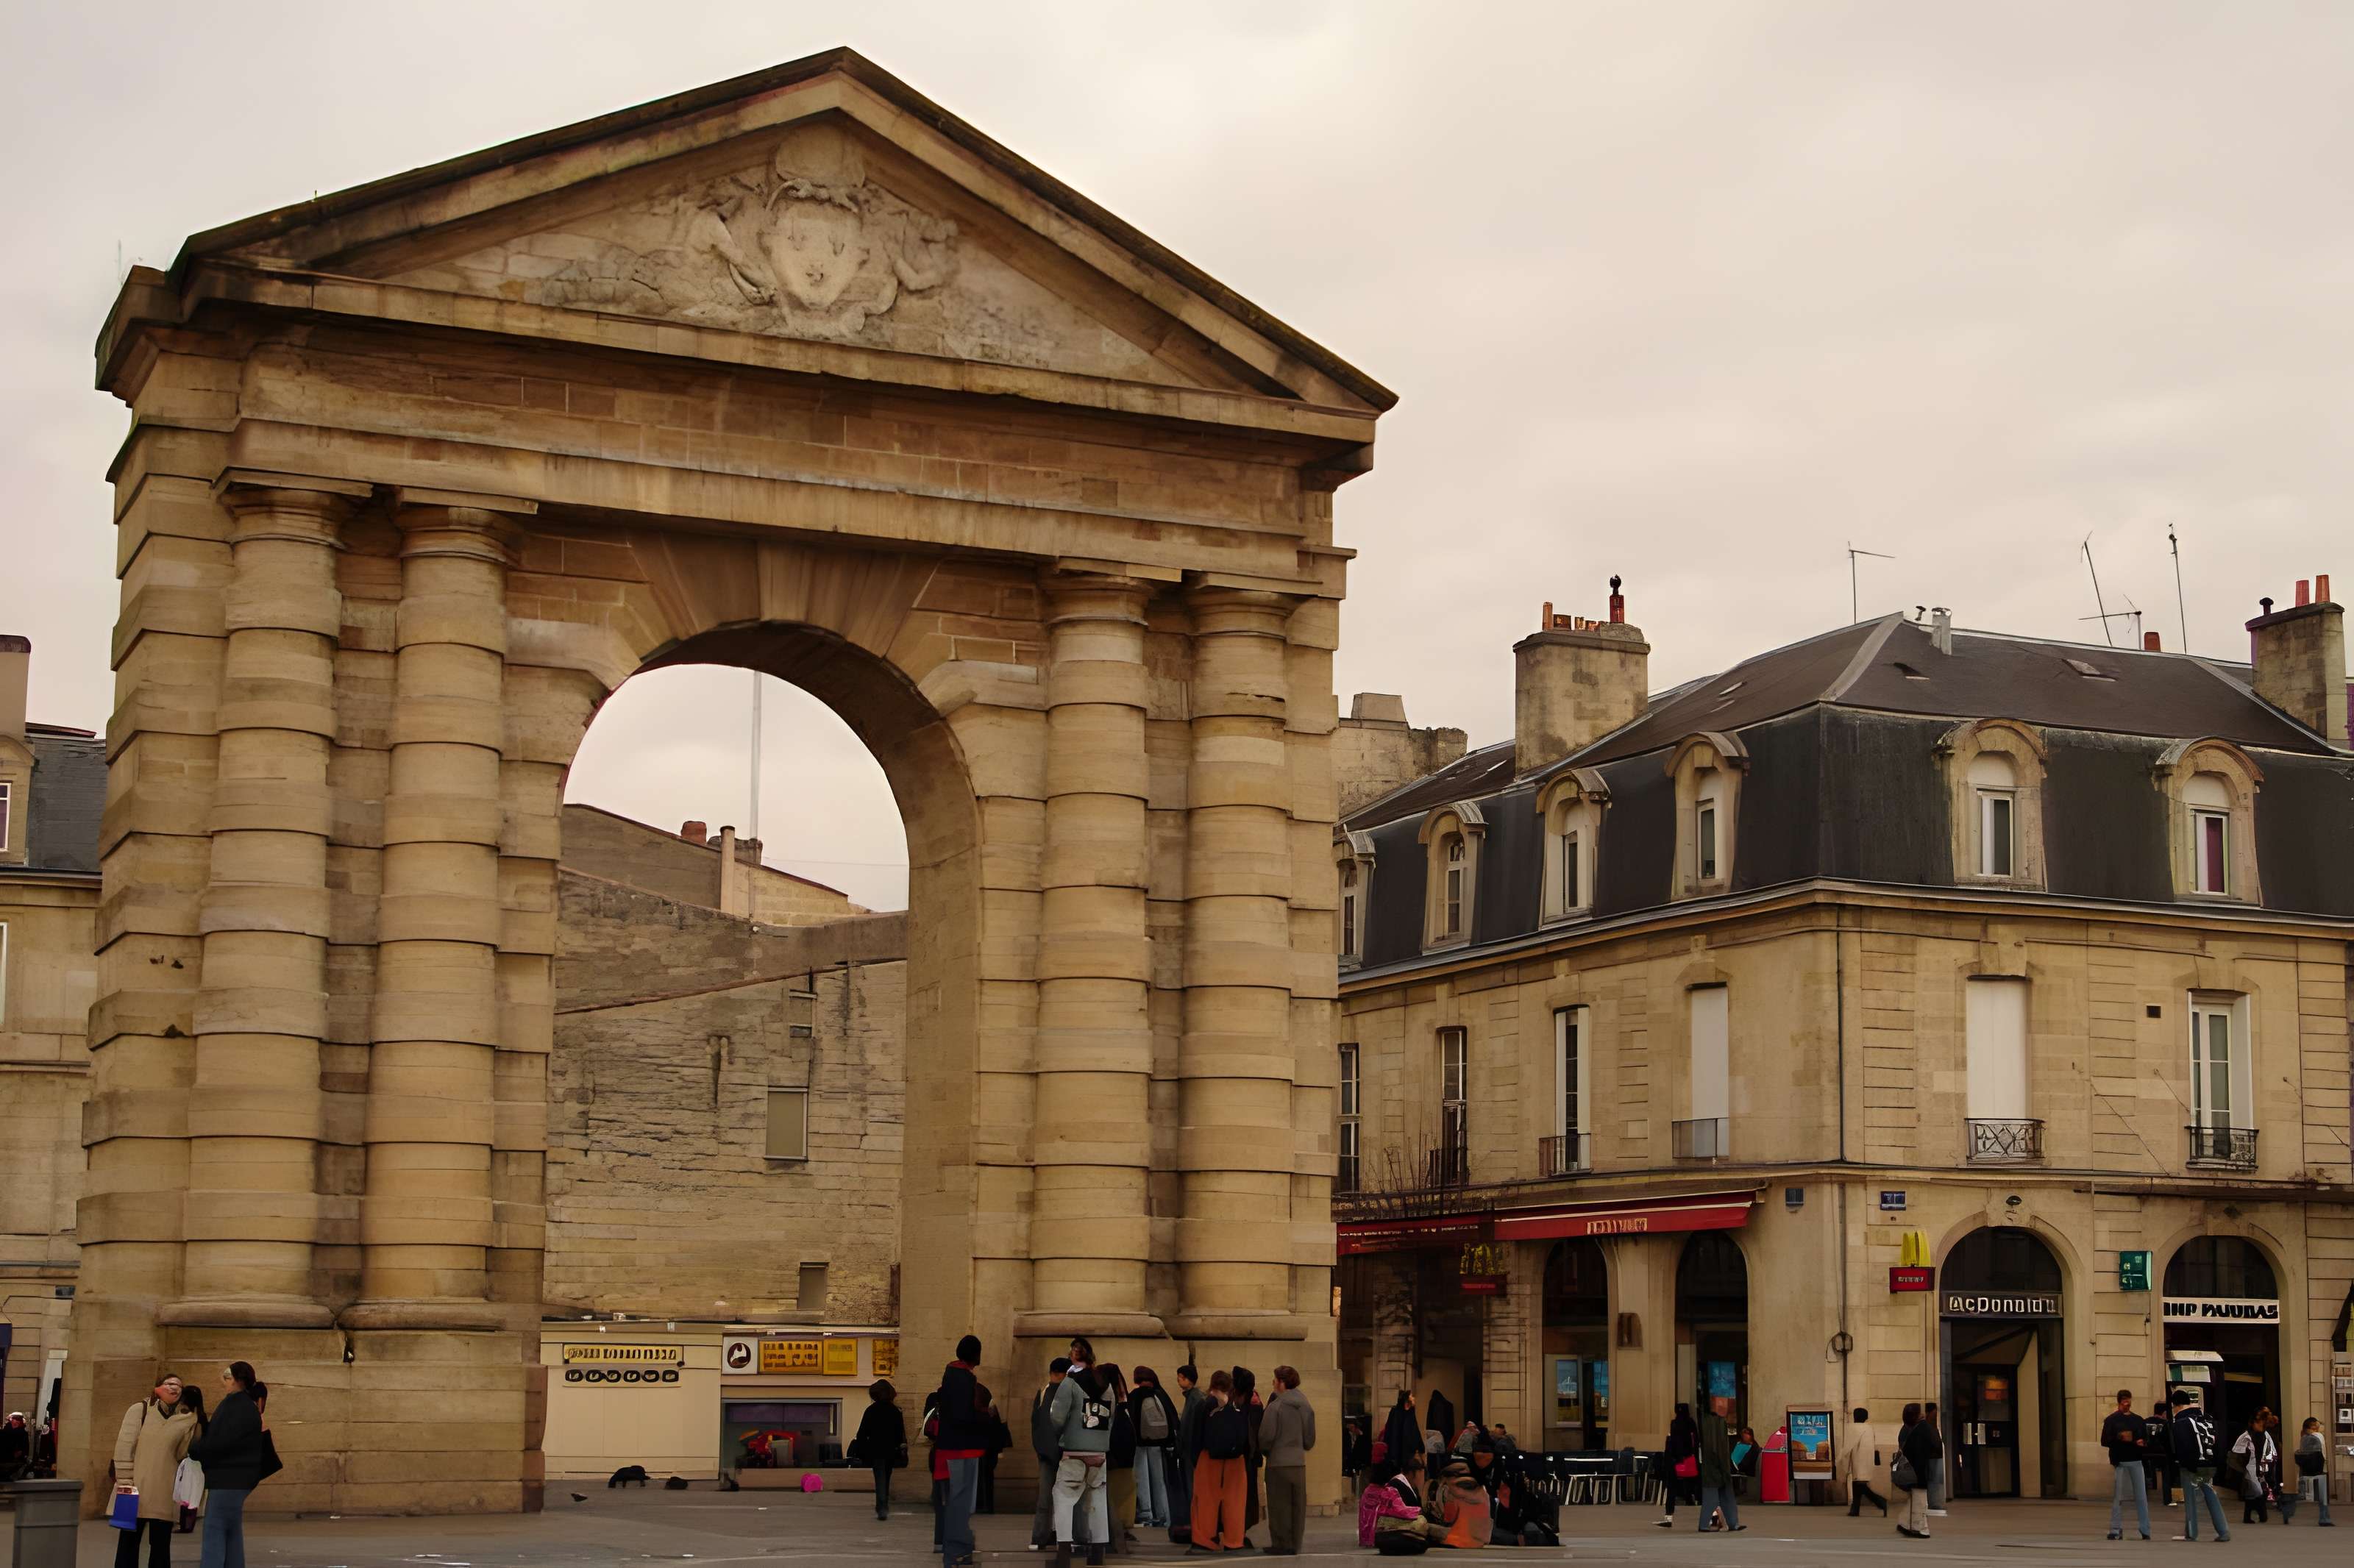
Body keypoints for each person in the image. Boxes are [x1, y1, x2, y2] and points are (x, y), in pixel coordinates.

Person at [188, 1363, 273, 1568]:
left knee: (214, 1530)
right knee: (232, 1531)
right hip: (240, 1478)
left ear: (236, 1380)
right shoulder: (247, 1405)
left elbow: (220, 1441)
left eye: (227, 1379)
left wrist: (195, 1449)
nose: (225, 1383)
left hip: (227, 1477)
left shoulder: (234, 1405)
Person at [111, 1371, 199, 1568]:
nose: (173, 1387)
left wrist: (192, 1421)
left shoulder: (184, 1418)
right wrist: (125, 1483)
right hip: (135, 1489)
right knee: (128, 1544)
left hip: (164, 1491)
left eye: (178, 1385)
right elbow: (124, 1448)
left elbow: (181, 1455)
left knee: (161, 1546)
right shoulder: (139, 1410)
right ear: (158, 1388)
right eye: (169, 1384)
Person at [1048, 1353, 1114, 1567]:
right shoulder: (1106, 1384)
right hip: (1099, 1452)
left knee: (1063, 1498)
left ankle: (1064, 1554)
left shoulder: (1070, 1382)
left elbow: (1057, 1416)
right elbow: (1112, 1416)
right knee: (1097, 1500)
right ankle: (1098, 1553)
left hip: (1074, 1450)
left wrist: (1063, 1434)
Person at [933, 1334, 991, 1568]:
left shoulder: (950, 1376)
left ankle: (961, 1549)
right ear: (976, 1354)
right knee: (960, 1505)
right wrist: (984, 1417)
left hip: (948, 1449)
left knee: (955, 1504)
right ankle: (956, 1553)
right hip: (963, 1450)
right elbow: (963, 1416)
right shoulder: (963, 1379)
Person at [1187, 1370, 1249, 1554]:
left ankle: (1204, 1541)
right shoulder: (1237, 1404)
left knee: (1205, 1501)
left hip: (1209, 1459)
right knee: (1235, 1503)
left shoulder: (1204, 1405)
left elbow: (1196, 1436)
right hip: (1235, 1461)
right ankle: (1234, 1541)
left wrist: (1195, 1459)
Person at [1259, 1366, 1316, 1556]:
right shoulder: (1306, 1406)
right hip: (1299, 1463)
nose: (1273, 1383)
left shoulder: (1276, 1407)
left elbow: (1266, 1437)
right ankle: (1295, 1544)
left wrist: (1267, 1451)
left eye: (1275, 1380)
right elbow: (1309, 1440)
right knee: (1297, 1507)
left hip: (1278, 1463)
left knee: (1279, 1506)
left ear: (1282, 1383)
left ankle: (1281, 1543)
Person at [2169, 1389, 2230, 1542]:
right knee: (2210, 1494)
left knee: (2190, 1500)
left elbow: (2183, 1447)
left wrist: (2185, 1464)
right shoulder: (2206, 1418)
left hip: (2192, 1465)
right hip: (2210, 1463)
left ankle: (2192, 1532)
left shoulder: (2181, 1422)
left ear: (2176, 1405)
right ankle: (2223, 1531)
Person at [1129, 1367, 1180, 1531]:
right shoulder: (1160, 1395)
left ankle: (1147, 1514)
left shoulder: (1135, 1396)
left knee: (1142, 1480)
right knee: (1160, 1482)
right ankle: (1164, 1516)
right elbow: (1173, 1419)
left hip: (1140, 1445)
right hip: (1160, 1445)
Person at [850, 1380, 906, 1522]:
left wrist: (861, 1449)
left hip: (875, 1449)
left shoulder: (871, 1410)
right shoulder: (895, 1410)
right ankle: (884, 1504)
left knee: (879, 1477)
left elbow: (862, 1433)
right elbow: (901, 1433)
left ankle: (881, 1507)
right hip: (891, 1450)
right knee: (887, 1477)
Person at [1031, 1358, 1071, 1550]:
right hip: (1066, 1453)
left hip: (1046, 1453)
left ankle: (1039, 1538)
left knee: (1044, 1499)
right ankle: (1063, 1537)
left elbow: (1035, 1423)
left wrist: (1040, 1449)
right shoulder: (1069, 1393)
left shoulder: (1042, 1392)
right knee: (1067, 1499)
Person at [2100, 1387, 2150, 1541]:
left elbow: (2146, 1439)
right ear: (2119, 1402)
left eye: (2128, 1402)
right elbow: (2105, 1441)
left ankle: (2144, 1529)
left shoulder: (2138, 1420)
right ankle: (2116, 1529)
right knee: (2119, 1497)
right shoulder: (2111, 1420)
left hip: (2135, 1459)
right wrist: (2120, 1438)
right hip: (2121, 1461)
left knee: (2141, 1496)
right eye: (2124, 1403)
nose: (2126, 1405)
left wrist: (2142, 1442)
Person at [1100, 1366, 1139, 1553]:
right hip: (1121, 1454)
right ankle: (1119, 1533)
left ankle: (1118, 1534)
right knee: (1119, 1496)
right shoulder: (1120, 1398)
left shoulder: (1109, 1396)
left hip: (1116, 1454)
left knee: (1115, 1495)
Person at [1696, 1394, 1743, 1532]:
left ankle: (1732, 1523)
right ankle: (1707, 1524)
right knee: (1715, 1498)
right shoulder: (1713, 1423)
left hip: (1718, 1467)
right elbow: (1715, 1449)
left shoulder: (1715, 1422)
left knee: (1722, 1497)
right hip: (1716, 1467)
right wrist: (1723, 1466)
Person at [1893, 1402, 1939, 1539]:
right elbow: (1931, 1448)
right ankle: (1920, 1528)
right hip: (1919, 1471)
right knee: (1920, 1501)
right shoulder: (1923, 1429)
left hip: (1913, 1470)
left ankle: (1905, 1523)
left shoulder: (1908, 1428)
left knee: (1916, 1499)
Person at [1167, 1365, 1201, 1542]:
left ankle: (1195, 1525)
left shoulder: (1195, 1399)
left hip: (1191, 1452)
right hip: (1188, 1451)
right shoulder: (1192, 1398)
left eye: (1181, 1377)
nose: (1179, 1380)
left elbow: (1191, 1427)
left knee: (1192, 1487)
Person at [1231, 1367, 1265, 1540]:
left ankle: (1239, 1531)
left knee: (1242, 1497)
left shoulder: (1246, 1404)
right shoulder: (1254, 1402)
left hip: (1243, 1458)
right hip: (1249, 1458)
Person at [1655, 1401, 1699, 1527]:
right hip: (1690, 1461)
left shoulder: (1674, 1424)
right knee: (1698, 1489)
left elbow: (1674, 1443)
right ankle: (1713, 1514)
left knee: (1672, 1490)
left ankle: (1668, 1517)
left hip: (1676, 1462)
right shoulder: (1691, 1424)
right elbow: (1695, 1441)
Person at [173, 1385, 209, 1535]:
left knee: (187, 1493)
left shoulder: (193, 1417)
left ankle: (186, 1525)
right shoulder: (201, 1416)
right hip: (196, 1461)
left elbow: (195, 1439)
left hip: (192, 1460)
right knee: (189, 1493)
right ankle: (186, 1524)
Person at [2230, 1408, 2276, 1524]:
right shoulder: (2246, 1436)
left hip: (2260, 1467)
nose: (2261, 1424)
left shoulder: (2266, 1435)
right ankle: (2262, 1515)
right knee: (2257, 1491)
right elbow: (2236, 1455)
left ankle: (2249, 1517)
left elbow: (2271, 1452)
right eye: (2258, 1422)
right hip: (2249, 1467)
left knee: (2252, 1493)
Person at [1436, 1458, 1493, 1549]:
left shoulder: (1452, 1491)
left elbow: (1449, 1518)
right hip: (1477, 1542)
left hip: (1456, 1541)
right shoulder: (1481, 1489)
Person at [1843, 1405, 1888, 1517]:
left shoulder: (1853, 1428)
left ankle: (1881, 1502)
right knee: (1858, 1484)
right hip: (1867, 1460)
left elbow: (1847, 1447)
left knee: (1860, 1485)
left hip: (1858, 1460)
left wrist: (1839, 1458)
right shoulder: (1869, 1428)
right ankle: (1855, 1509)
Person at [2290, 1415, 2333, 1525]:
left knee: (2308, 1494)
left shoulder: (2305, 1438)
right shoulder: (2318, 1436)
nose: (2320, 1426)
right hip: (2320, 1469)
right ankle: (2324, 1519)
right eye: (2318, 1424)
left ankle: (2324, 1518)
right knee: (2320, 1496)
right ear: (2313, 1425)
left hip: (2308, 1469)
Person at [2144, 1391, 2175, 1510]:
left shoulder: (2145, 1421)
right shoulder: (2166, 1423)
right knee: (2166, 1475)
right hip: (2162, 1453)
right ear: (2164, 1413)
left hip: (2146, 1452)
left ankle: (2144, 1497)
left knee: (2146, 1474)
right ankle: (2167, 1499)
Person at [981, 1398, 1013, 1515]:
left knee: (986, 1480)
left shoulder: (987, 1418)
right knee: (988, 1480)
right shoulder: (994, 1417)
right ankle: (988, 1506)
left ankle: (986, 1506)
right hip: (991, 1453)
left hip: (987, 1453)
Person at [1380, 1391, 1422, 1478]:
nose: (1414, 1398)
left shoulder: (1410, 1412)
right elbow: (1390, 1431)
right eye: (1412, 1396)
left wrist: (1420, 1447)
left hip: (1407, 1451)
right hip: (1396, 1450)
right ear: (1407, 1400)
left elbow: (1414, 1431)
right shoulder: (1396, 1412)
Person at [1921, 1400, 1946, 1517]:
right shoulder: (1927, 1426)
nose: (1936, 1415)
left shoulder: (1931, 1426)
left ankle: (1934, 1503)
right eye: (1935, 1412)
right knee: (1933, 1481)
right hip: (1932, 1457)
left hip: (1934, 1456)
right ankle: (1934, 1503)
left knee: (1935, 1481)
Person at [1425, 1388, 1456, 1458]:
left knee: (1434, 1455)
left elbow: (1435, 1420)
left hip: (1436, 1433)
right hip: (1446, 1434)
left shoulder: (1433, 1403)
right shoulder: (1447, 1404)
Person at [0, 1411, 29, 1481]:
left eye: (19, 1420)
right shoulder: (5, 1432)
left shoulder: (23, 1434)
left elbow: (25, 1449)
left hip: (15, 1460)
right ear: (11, 1420)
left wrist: (21, 1454)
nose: (17, 1421)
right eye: (15, 1419)